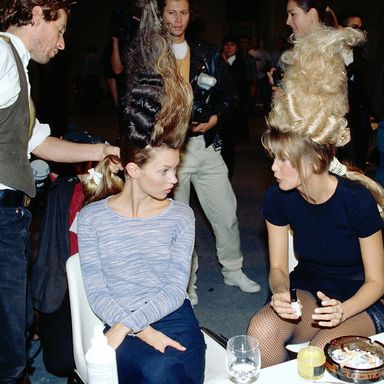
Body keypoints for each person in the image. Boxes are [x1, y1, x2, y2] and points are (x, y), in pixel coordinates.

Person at [77, 1, 206, 383]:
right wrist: (138, 330)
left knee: (169, 365)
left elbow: (172, 289)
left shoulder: (180, 216)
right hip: (119, 322)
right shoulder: (92, 218)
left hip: (172, 319)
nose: (174, 180)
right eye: (165, 170)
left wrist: (128, 326)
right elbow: (97, 291)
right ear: (132, 170)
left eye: (176, 169)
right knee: (156, 367)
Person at [247, 26, 384, 368]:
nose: (275, 168)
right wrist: (280, 291)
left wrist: (343, 310)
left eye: (283, 159)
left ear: (313, 160)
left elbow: (377, 282)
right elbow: (279, 267)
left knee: (325, 350)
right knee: (261, 329)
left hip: (361, 302)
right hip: (311, 292)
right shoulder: (279, 198)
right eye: (274, 157)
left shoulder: (357, 201)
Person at [0, 1, 119, 382]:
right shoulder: (2, 57)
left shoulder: (16, 66)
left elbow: (40, 143)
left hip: (12, 215)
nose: (63, 43)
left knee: (12, 325)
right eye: (61, 29)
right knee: (8, 340)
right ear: (37, 15)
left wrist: (103, 152)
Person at [158, 0, 261, 306]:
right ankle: (186, 285)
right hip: (167, 152)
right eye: (171, 12)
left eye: (184, 12)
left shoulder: (206, 52)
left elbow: (230, 95)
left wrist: (214, 118)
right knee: (179, 224)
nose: (178, 19)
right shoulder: (150, 52)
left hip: (204, 147)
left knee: (226, 213)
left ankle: (233, 269)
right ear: (160, 14)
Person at [220, 34, 250, 178]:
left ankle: (228, 175)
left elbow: (237, 85)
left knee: (229, 145)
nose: (229, 47)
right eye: (226, 44)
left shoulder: (239, 63)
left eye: (232, 45)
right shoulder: (219, 62)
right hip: (223, 109)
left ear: (237, 48)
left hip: (235, 109)